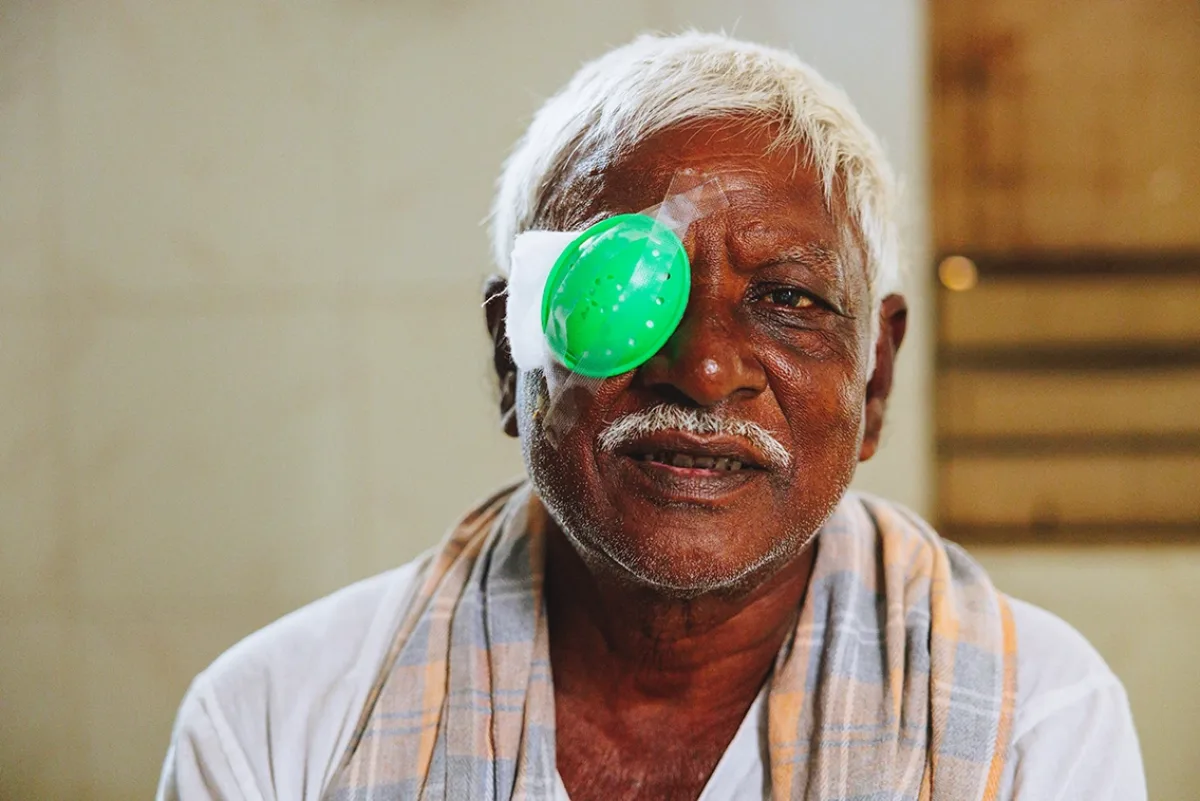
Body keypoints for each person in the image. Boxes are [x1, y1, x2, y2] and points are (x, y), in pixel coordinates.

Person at [157, 32, 1145, 801]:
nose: (705, 371)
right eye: (626, 295)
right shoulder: (276, 728)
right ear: (512, 357)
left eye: (788, 298)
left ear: (875, 378)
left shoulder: (1036, 725)